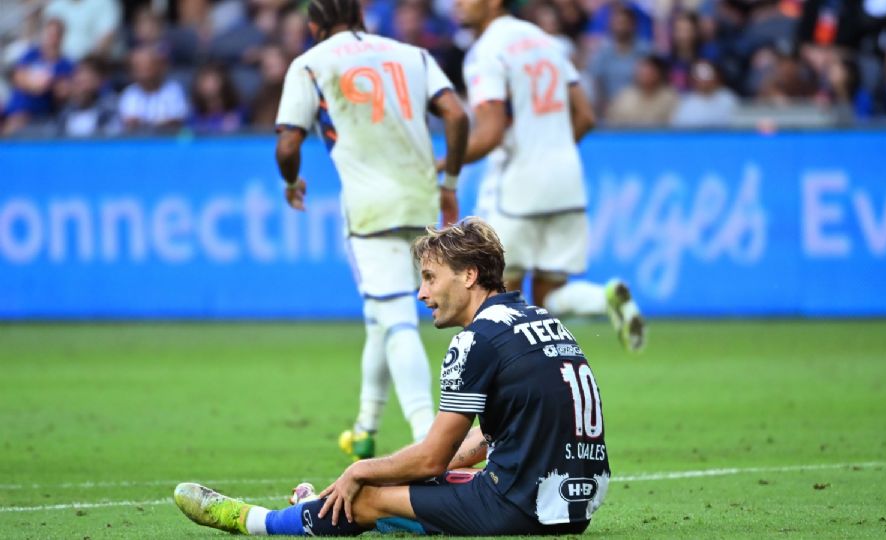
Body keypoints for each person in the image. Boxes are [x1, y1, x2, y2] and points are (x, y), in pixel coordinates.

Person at [174, 217, 611, 536]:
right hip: (574, 507)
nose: (421, 293)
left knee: (363, 497)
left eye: (429, 278)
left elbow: (431, 459)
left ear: (469, 275)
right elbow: (485, 442)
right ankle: (381, 514)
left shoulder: (476, 340)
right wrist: (402, 476)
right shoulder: (540, 320)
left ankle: (251, 520)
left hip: (516, 509)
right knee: (418, 484)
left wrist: (362, 471)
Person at [272, 0, 469, 459]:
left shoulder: (309, 64)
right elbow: (457, 116)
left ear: (314, 24)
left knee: (396, 316)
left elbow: (287, 144)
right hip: (419, 201)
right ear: (360, 15)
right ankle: (365, 425)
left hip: (368, 210)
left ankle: (426, 437)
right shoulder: (411, 54)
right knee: (382, 316)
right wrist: (451, 182)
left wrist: (290, 181)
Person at [452, 0, 644, 351]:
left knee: (497, 294)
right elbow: (585, 116)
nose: (457, 3)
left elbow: (490, 134)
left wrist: (442, 163)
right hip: (566, 180)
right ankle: (604, 298)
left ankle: (508, 382)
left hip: (519, 185)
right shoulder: (548, 44)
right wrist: (553, 148)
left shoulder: (486, 51)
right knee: (550, 296)